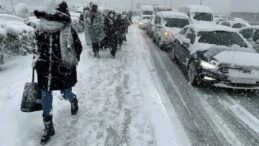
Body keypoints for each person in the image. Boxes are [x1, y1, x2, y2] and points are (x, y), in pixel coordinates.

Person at [33, 0, 82, 144]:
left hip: (63, 71)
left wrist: (68, 61)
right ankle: (48, 127)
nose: (49, 18)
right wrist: (37, 59)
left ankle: (73, 100)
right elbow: (35, 48)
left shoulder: (68, 31)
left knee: (66, 93)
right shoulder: (40, 29)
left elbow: (77, 49)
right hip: (44, 71)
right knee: (46, 98)